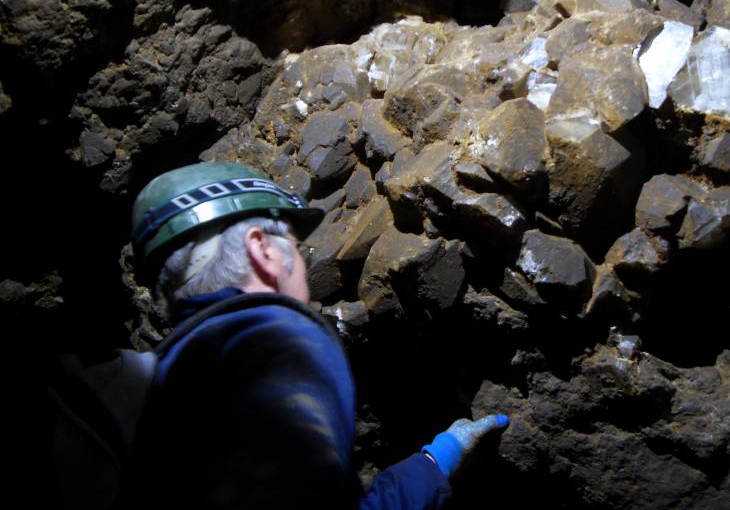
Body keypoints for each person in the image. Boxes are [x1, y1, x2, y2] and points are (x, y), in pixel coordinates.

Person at [126, 161, 508, 509]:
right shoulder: (277, 340)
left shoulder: (161, 383)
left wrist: (432, 465)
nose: (306, 273)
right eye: (296, 248)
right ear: (263, 251)